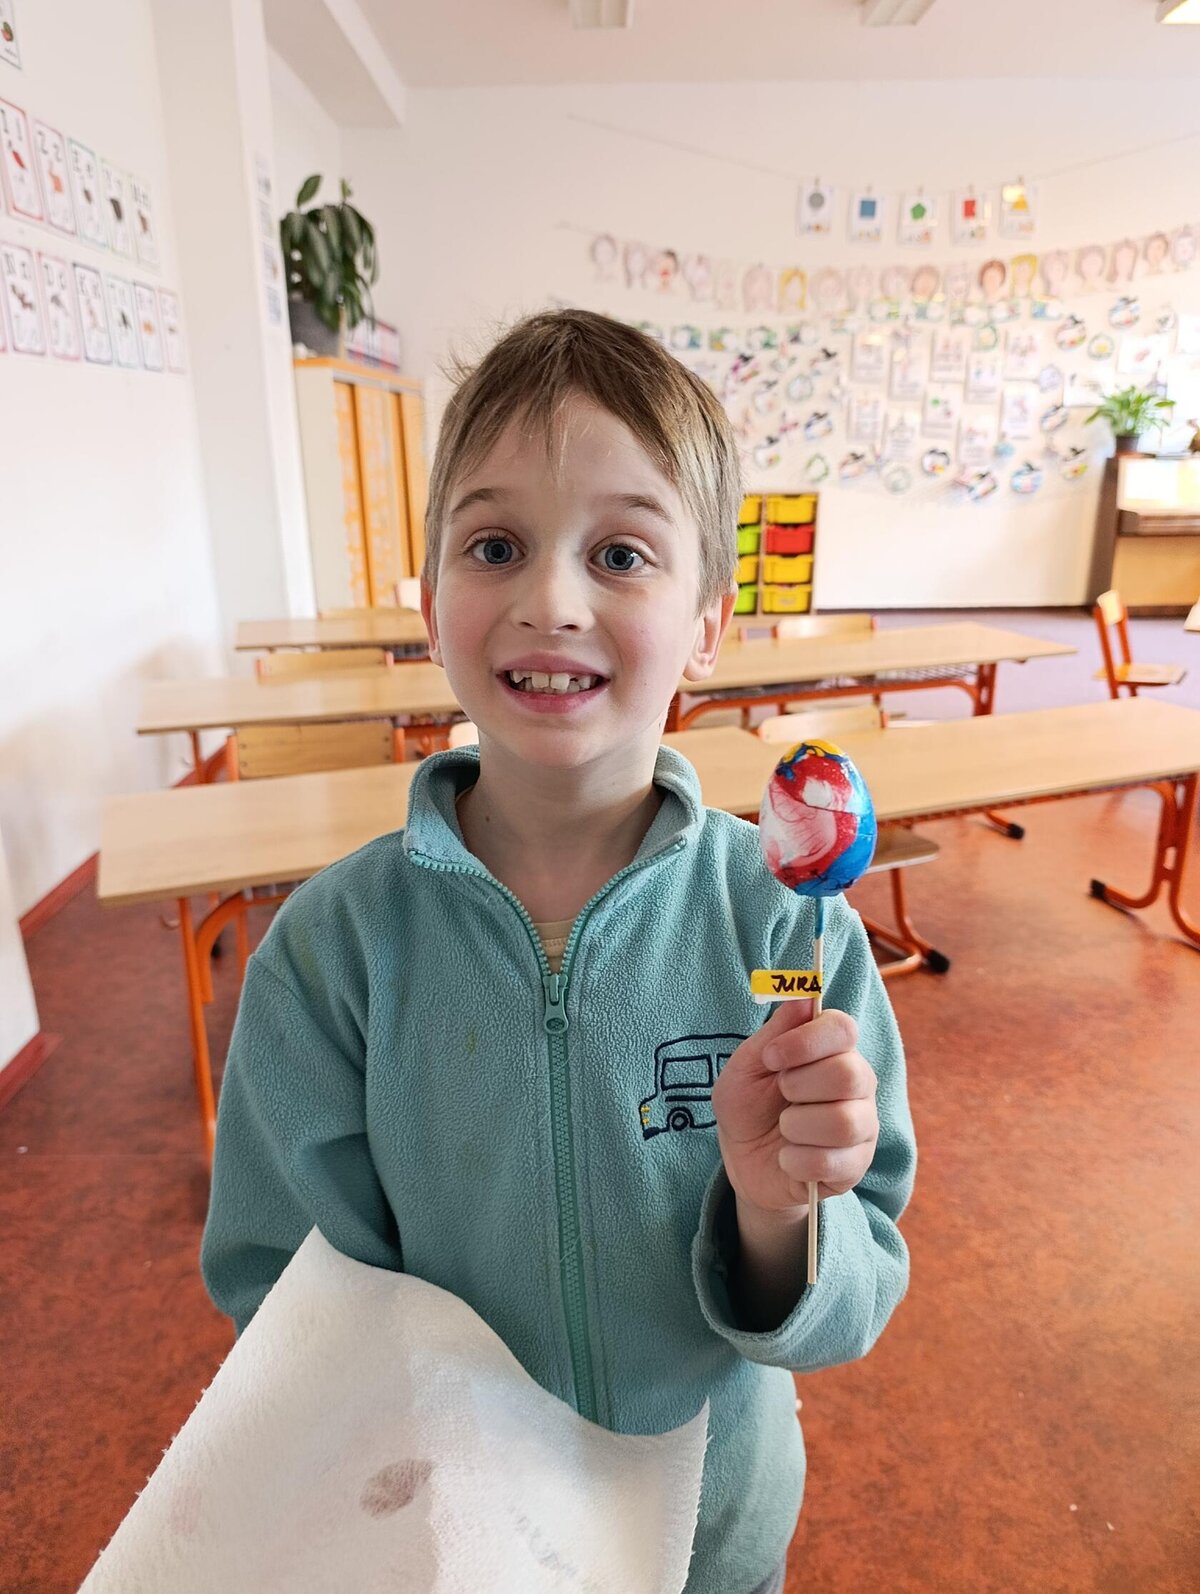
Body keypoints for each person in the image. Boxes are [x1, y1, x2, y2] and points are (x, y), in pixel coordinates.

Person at [201, 308, 917, 1594]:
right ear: (431, 605)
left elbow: (855, 1286)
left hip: (709, 1539)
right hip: (457, 1545)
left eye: (621, 553)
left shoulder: (783, 929)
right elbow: (286, 1295)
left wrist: (775, 1212)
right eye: (495, 546)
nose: (550, 601)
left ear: (709, 621)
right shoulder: (330, 954)